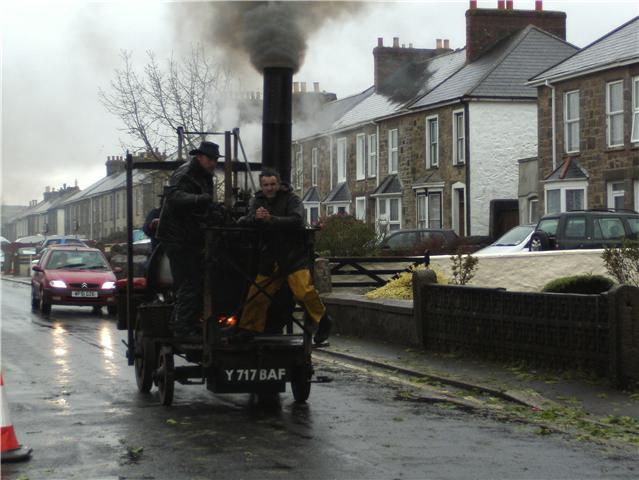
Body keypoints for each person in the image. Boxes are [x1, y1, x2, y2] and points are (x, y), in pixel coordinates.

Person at [238, 168, 332, 344]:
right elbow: (245, 221)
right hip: (270, 257)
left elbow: (297, 220)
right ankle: (248, 329)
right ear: (261, 185)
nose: (269, 188)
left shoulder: (292, 199)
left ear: (279, 184)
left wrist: (270, 219)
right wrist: (255, 218)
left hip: (293, 255)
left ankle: (323, 321)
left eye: (273, 184)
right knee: (256, 294)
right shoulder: (257, 200)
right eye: (266, 185)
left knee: (303, 291)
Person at [156, 140, 222, 337]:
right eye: (211, 159)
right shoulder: (185, 173)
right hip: (177, 238)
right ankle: (182, 327)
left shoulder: (204, 176)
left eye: (215, 160)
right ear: (200, 157)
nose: (213, 163)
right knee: (189, 281)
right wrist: (198, 200)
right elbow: (174, 196)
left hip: (190, 237)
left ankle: (192, 321)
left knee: (199, 279)